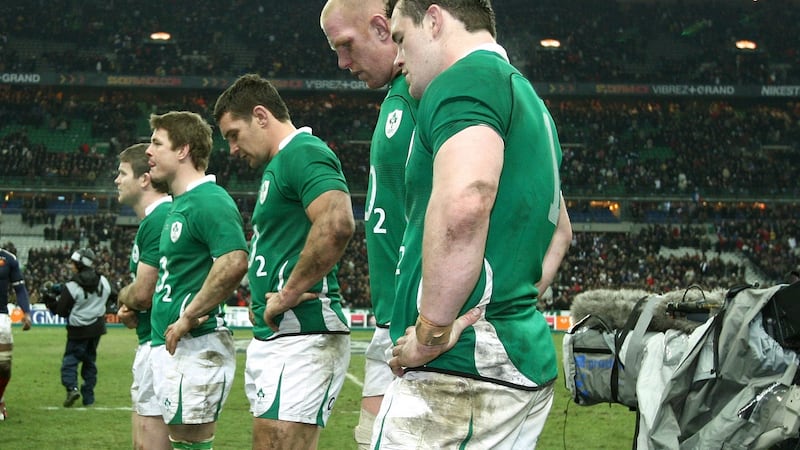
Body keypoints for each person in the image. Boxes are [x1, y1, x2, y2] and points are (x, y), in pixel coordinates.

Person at [377, 1, 567, 447]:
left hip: (462, 372)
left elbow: (467, 201)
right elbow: (561, 233)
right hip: (509, 363)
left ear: (435, 20)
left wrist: (431, 332)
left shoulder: (465, 79)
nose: (397, 58)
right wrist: (497, 308)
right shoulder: (531, 103)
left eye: (401, 38)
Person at [214, 73, 355, 450]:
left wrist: (289, 292)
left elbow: (338, 221)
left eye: (233, 134)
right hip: (283, 336)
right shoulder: (279, 165)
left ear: (261, 116)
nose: (231, 149)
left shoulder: (303, 151)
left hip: (302, 333)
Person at [319, 1, 418, 447]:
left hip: (420, 330)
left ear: (382, 28)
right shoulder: (398, 97)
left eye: (345, 45)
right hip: (392, 326)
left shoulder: (428, 92)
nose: (342, 63)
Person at [145, 111, 249, 449]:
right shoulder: (181, 204)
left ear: (182, 150)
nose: (149, 151)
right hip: (175, 345)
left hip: (196, 345)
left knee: (191, 444)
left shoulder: (209, 200)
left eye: (157, 143)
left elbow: (233, 261)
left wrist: (189, 316)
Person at [114, 142, 172, 450]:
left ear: (144, 179)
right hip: (149, 339)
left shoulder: (160, 218)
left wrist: (127, 298)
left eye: (122, 173)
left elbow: (143, 293)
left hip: (160, 344)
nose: (116, 180)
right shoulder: (152, 220)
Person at [44, 248, 112, 408]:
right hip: (97, 328)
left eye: (73, 263)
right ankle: (89, 396)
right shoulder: (103, 281)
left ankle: (72, 388)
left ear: (79, 264)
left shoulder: (73, 285)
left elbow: (61, 311)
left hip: (77, 330)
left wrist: (49, 301)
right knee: (90, 361)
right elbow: (110, 295)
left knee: (70, 361)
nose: (71, 265)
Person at [0, 246, 32, 420]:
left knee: (4, 366)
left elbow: (19, 289)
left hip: (1, 317)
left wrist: (26, 313)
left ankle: (0, 399)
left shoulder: (8, 258)